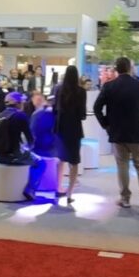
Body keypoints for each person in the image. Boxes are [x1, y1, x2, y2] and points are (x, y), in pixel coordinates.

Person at [93, 57, 139, 209]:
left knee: (122, 165)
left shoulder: (109, 86)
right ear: (129, 68)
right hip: (137, 132)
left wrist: (106, 124)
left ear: (116, 69)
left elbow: (96, 108)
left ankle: (125, 199)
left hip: (117, 132)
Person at [0, 92, 43, 199]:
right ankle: (30, 189)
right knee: (40, 162)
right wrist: (28, 148)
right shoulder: (20, 115)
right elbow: (30, 139)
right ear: (18, 103)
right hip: (14, 156)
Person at [55, 65, 87, 204]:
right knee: (74, 161)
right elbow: (82, 115)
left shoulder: (59, 89)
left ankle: (58, 187)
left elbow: (55, 110)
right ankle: (69, 193)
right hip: (74, 129)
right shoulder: (81, 91)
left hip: (60, 128)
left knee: (60, 159)